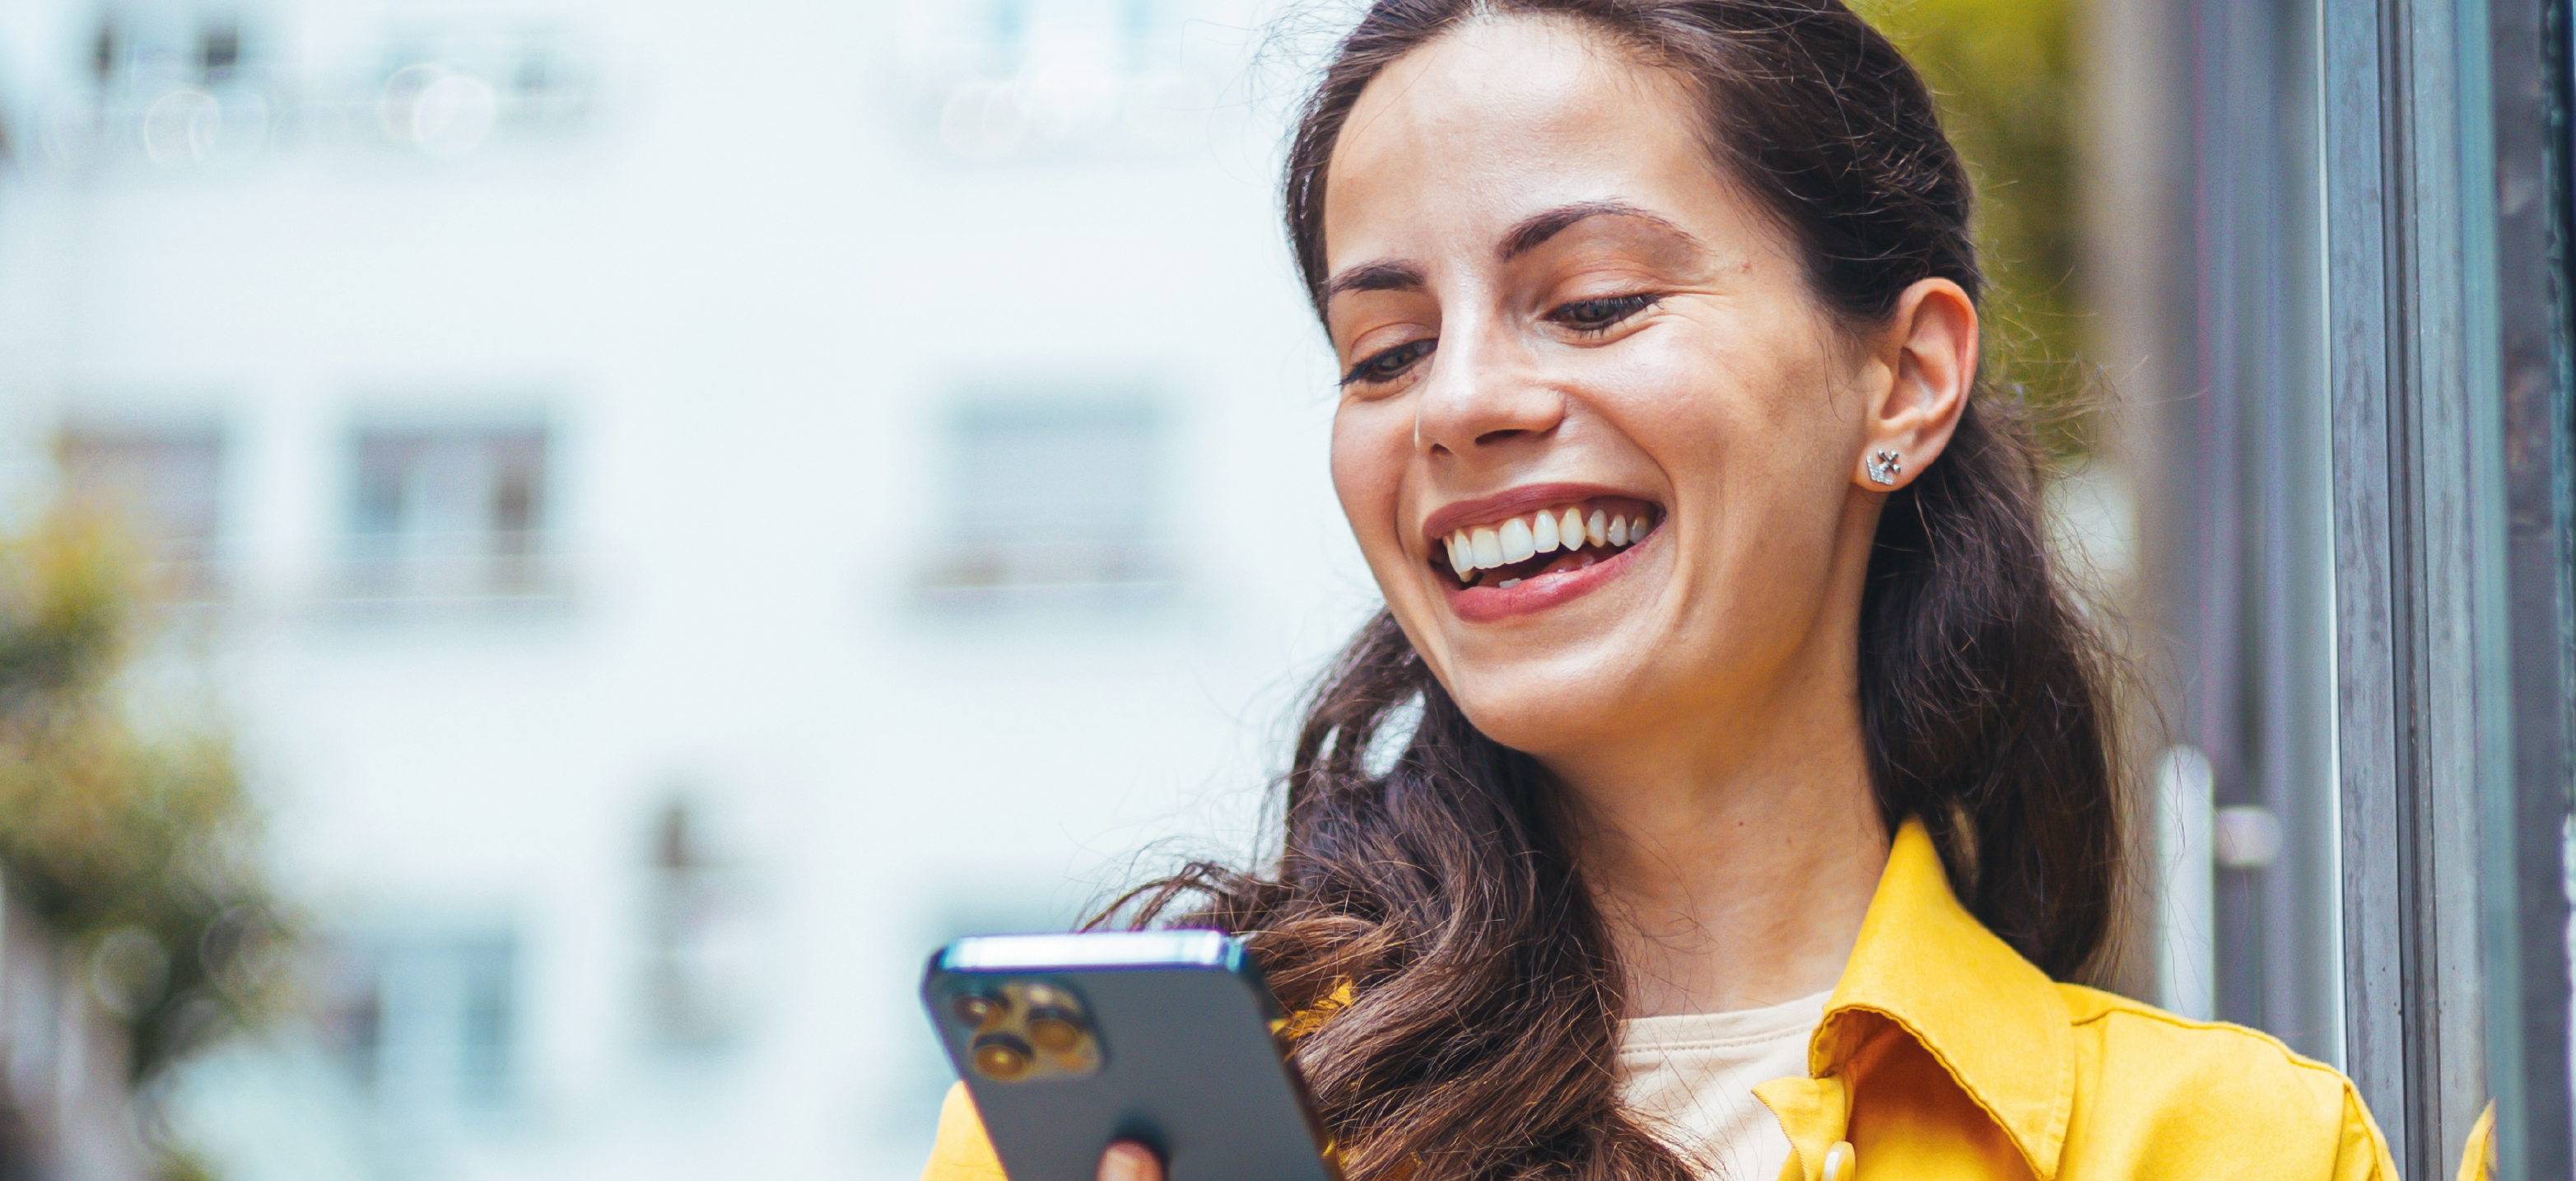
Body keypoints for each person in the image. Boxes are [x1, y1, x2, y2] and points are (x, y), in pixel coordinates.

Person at [923, 1, 2396, 1178]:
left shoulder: (2231, 1148)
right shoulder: (1121, 1121)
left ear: (1905, 375)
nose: (1459, 403)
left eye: (1596, 302)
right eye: (1384, 352)